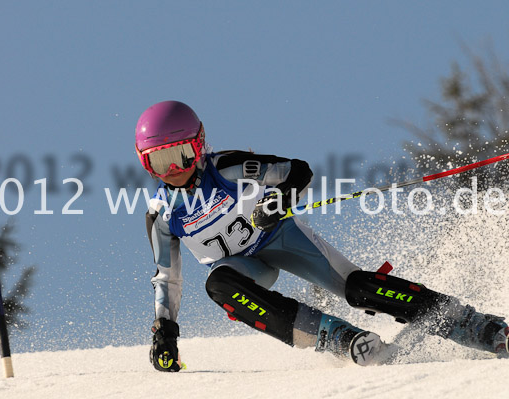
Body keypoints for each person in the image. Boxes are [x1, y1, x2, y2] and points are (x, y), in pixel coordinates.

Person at [135, 100, 509, 371]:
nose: (172, 171)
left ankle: (478, 326)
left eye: (180, 155)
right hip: (243, 268)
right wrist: (165, 329)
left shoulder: (227, 167)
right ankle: (336, 337)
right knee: (218, 284)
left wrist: (278, 199)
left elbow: (296, 171)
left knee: (357, 287)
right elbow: (167, 277)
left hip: (282, 239)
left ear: (198, 146)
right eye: (158, 162)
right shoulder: (162, 214)